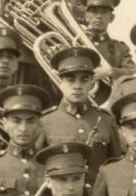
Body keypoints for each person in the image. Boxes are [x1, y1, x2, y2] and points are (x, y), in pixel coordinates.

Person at [39, 46, 120, 178]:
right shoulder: (44, 122)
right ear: (60, 82)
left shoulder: (106, 120)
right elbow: (39, 170)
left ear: (91, 83)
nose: (77, 86)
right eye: (70, 79)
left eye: (84, 80)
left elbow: (115, 169)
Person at [79, 0, 136, 88]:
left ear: (111, 18)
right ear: (87, 16)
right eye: (94, 11)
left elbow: (133, 73)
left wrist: (111, 71)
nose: (99, 16)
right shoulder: (75, 40)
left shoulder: (120, 48)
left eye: (104, 12)